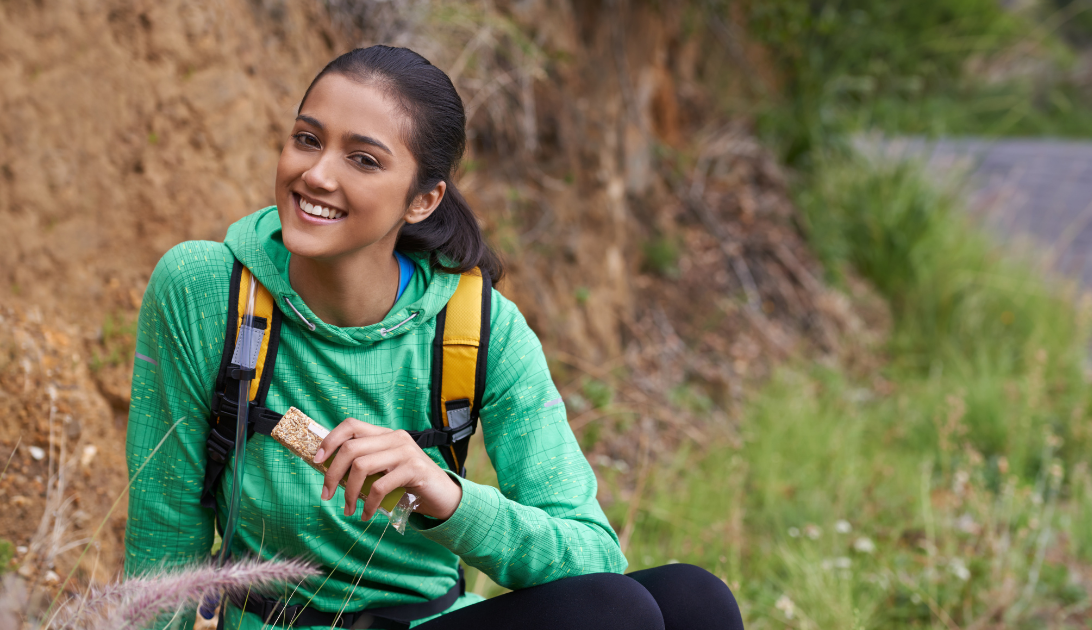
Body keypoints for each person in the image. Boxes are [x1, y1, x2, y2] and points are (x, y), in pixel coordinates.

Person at [125, 45, 743, 630]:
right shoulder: (208, 289)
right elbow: (164, 529)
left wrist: (445, 497)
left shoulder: (478, 329)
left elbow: (592, 556)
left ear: (422, 200)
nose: (315, 174)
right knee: (617, 615)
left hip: (439, 619)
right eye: (307, 140)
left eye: (362, 159)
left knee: (694, 600)